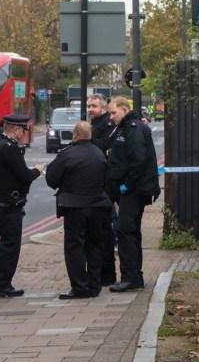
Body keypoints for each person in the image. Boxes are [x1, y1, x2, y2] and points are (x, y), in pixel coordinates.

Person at [45, 121, 112, 299]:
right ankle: (95, 286)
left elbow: (51, 179)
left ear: (74, 136)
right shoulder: (99, 154)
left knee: (75, 248)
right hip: (98, 205)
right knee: (95, 246)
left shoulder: (67, 155)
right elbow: (107, 180)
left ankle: (80, 287)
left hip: (75, 207)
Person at [0, 113, 43, 298]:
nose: (25, 134)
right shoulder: (8, 148)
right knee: (10, 245)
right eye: (24, 130)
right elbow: (24, 175)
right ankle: (3, 285)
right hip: (8, 204)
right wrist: (37, 170)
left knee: (4, 242)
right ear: (17, 130)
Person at [106, 96, 160, 292]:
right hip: (130, 190)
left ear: (124, 109)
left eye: (113, 112)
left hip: (134, 191)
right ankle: (134, 276)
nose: (110, 117)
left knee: (125, 231)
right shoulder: (123, 128)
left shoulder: (134, 129)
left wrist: (127, 185)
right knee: (130, 231)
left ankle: (130, 277)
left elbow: (138, 159)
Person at [86, 94, 118, 286]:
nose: (90, 109)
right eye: (89, 106)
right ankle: (104, 275)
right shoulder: (94, 125)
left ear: (103, 109)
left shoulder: (106, 127)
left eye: (94, 106)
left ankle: (106, 275)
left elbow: (105, 151)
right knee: (102, 231)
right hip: (97, 184)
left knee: (104, 232)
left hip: (105, 184)